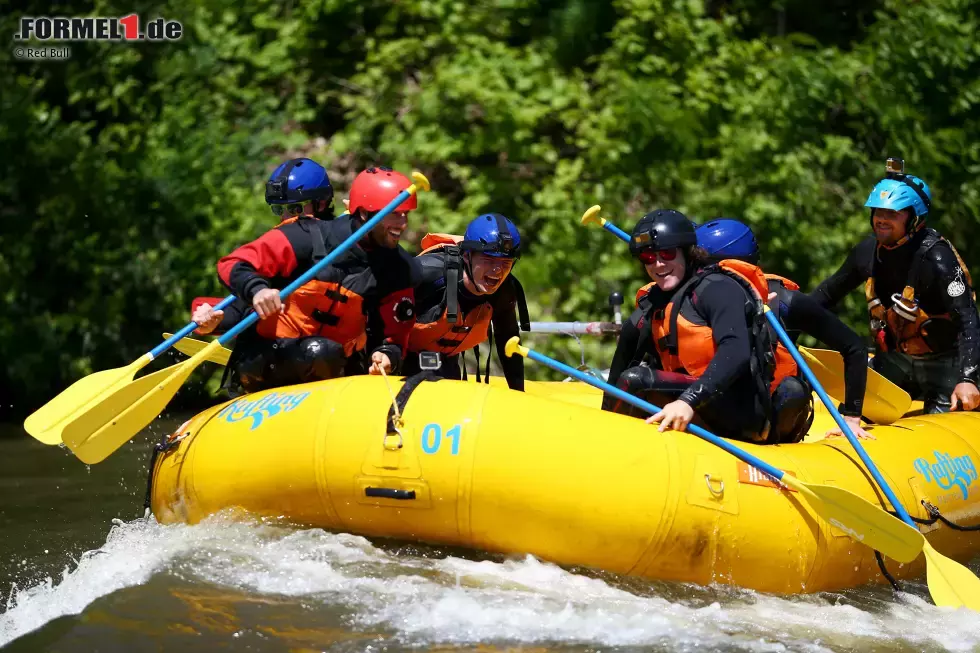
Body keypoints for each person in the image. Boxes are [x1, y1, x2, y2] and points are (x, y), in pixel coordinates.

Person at [199, 161, 422, 393]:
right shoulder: (303, 235)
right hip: (266, 360)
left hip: (339, 369)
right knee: (321, 351)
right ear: (364, 214)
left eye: (405, 215)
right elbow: (233, 264)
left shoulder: (400, 269)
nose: (403, 224)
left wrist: (386, 355)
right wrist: (258, 290)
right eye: (395, 215)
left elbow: (393, 338)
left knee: (329, 354)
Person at [602, 209, 812, 444]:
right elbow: (623, 358)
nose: (658, 264)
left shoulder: (718, 287)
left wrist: (687, 401)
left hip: (740, 409)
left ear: (686, 251)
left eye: (667, 253)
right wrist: (604, 413)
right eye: (648, 258)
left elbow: (736, 351)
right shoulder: (654, 302)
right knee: (629, 378)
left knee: (636, 379)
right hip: (696, 399)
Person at [810, 158, 980, 414]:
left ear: (914, 219)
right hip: (894, 360)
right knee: (854, 409)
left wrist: (967, 379)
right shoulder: (866, 252)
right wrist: (788, 311)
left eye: (892, 213)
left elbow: (968, 319)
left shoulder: (938, 259)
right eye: (878, 212)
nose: (881, 219)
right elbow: (825, 295)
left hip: (944, 363)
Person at [697, 218, 872, 439]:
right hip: (718, 409)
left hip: (773, 420)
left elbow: (854, 347)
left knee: (793, 390)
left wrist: (852, 418)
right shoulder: (694, 299)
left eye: (704, 267)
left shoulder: (786, 301)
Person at [402, 213, 529, 389]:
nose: (497, 271)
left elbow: (508, 342)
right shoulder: (427, 272)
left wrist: (518, 393)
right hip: (396, 359)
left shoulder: (504, 291)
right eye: (488, 260)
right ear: (467, 256)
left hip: (443, 363)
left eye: (506, 263)